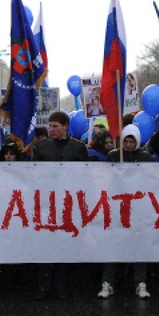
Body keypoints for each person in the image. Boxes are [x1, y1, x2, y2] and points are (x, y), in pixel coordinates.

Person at [31, 111, 88, 300]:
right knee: (45, 246)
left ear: (66, 126)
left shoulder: (78, 148)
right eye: (50, 126)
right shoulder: (41, 148)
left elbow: (84, 176)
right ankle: (43, 286)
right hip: (47, 204)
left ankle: (60, 286)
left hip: (68, 205)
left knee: (63, 246)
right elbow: (33, 175)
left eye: (55, 126)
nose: (51, 129)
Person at [98, 124, 152, 299]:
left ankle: (140, 282)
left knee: (139, 245)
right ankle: (108, 283)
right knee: (112, 245)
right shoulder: (113, 155)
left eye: (131, 141)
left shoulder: (145, 157)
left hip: (137, 207)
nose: (128, 145)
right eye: (126, 141)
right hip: (116, 207)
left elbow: (148, 180)